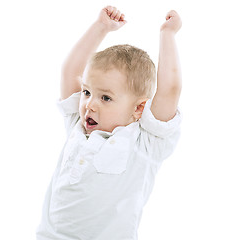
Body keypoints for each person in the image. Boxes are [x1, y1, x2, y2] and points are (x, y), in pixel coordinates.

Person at [36, 5, 182, 240]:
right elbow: (70, 71)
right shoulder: (78, 124)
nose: (90, 105)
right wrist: (101, 27)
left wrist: (168, 35)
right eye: (86, 92)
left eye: (105, 98)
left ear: (138, 108)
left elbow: (169, 91)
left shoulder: (144, 142)